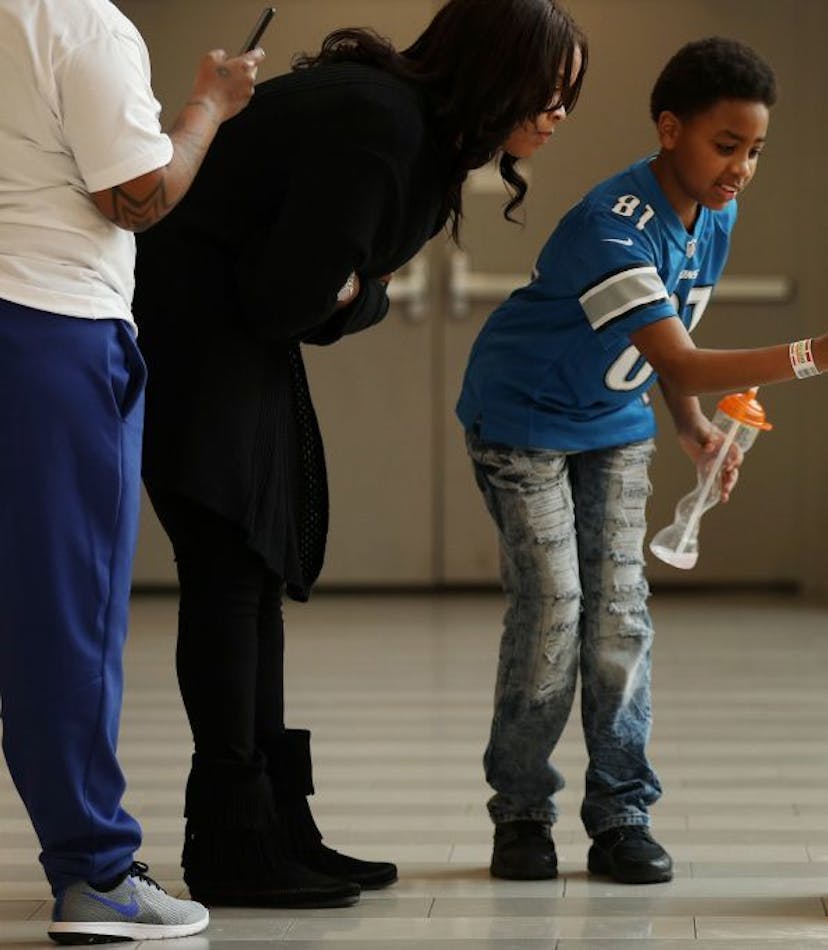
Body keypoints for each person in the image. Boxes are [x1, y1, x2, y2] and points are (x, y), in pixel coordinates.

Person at [131, 0, 586, 909]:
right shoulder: (384, 130)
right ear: (494, 70)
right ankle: (231, 844)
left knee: (252, 572)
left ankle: (270, 826)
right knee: (230, 574)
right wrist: (355, 288)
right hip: (198, 335)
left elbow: (316, 293)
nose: (557, 113)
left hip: (220, 334)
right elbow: (288, 298)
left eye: (570, 97)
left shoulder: (399, 121)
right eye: (548, 90)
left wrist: (352, 287)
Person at [456, 36, 828, 886]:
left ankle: (622, 813)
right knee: (554, 613)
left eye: (755, 150)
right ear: (669, 130)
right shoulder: (607, 229)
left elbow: (669, 349)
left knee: (619, 615)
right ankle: (521, 812)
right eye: (725, 146)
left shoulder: (715, 210)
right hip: (524, 421)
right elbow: (687, 358)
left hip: (614, 423)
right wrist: (816, 354)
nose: (741, 168)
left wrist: (692, 430)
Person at [0, 0, 261, 942]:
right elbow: (136, 194)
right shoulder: (76, 21)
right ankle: (97, 875)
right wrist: (209, 105)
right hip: (50, 327)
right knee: (64, 618)